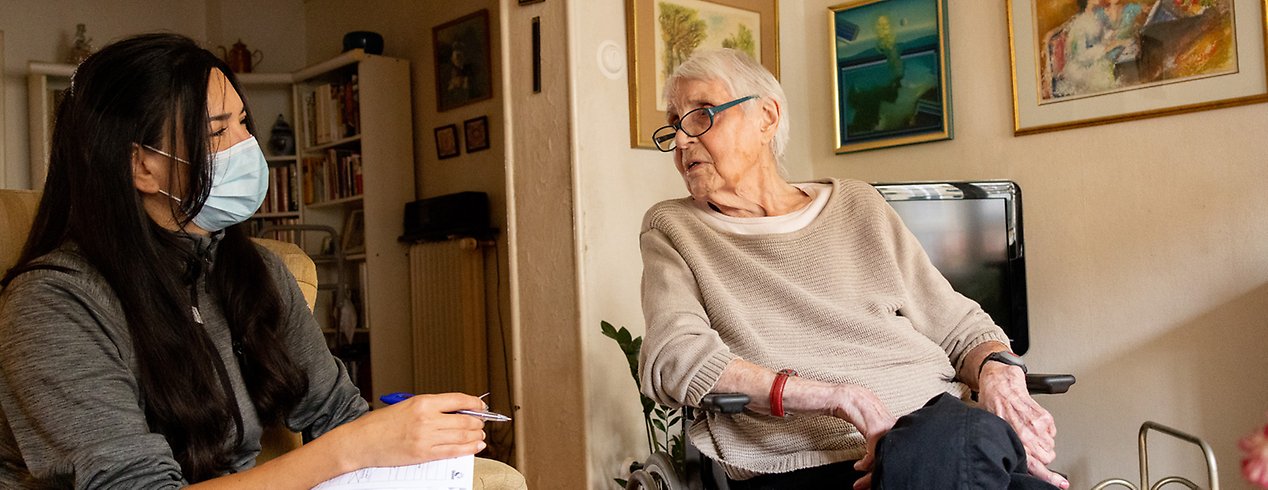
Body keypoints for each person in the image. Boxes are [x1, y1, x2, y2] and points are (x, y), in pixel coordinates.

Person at [0, 34, 516, 488]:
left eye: (243, 122)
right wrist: (357, 446)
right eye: (217, 131)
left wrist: (417, 440)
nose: (246, 146)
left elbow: (336, 412)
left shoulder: (257, 272)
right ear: (141, 165)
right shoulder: (51, 305)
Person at [638, 48, 1068, 489]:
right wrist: (834, 397)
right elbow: (674, 356)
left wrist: (998, 372)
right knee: (972, 449)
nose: (683, 139)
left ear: (766, 117)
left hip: (939, 434)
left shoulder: (858, 204)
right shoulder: (675, 229)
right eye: (675, 124)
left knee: (952, 442)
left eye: (702, 114)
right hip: (818, 465)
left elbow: (960, 326)